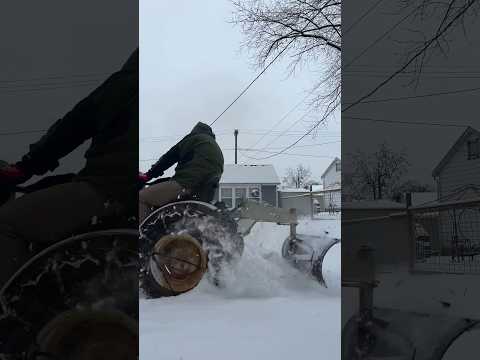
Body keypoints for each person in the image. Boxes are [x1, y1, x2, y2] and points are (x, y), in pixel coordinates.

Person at [0, 49, 138, 288]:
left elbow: (74, 125)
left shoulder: (128, 81)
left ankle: (11, 314)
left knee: (5, 223)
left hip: (107, 188)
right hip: (127, 191)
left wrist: (25, 167)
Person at [138, 122, 224, 222]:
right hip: (203, 191)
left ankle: (141, 234)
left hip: (186, 184)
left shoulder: (194, 138)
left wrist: (148, 175)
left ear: (195, 131)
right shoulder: (215, 148)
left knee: (141, 197)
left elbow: (168, 158)